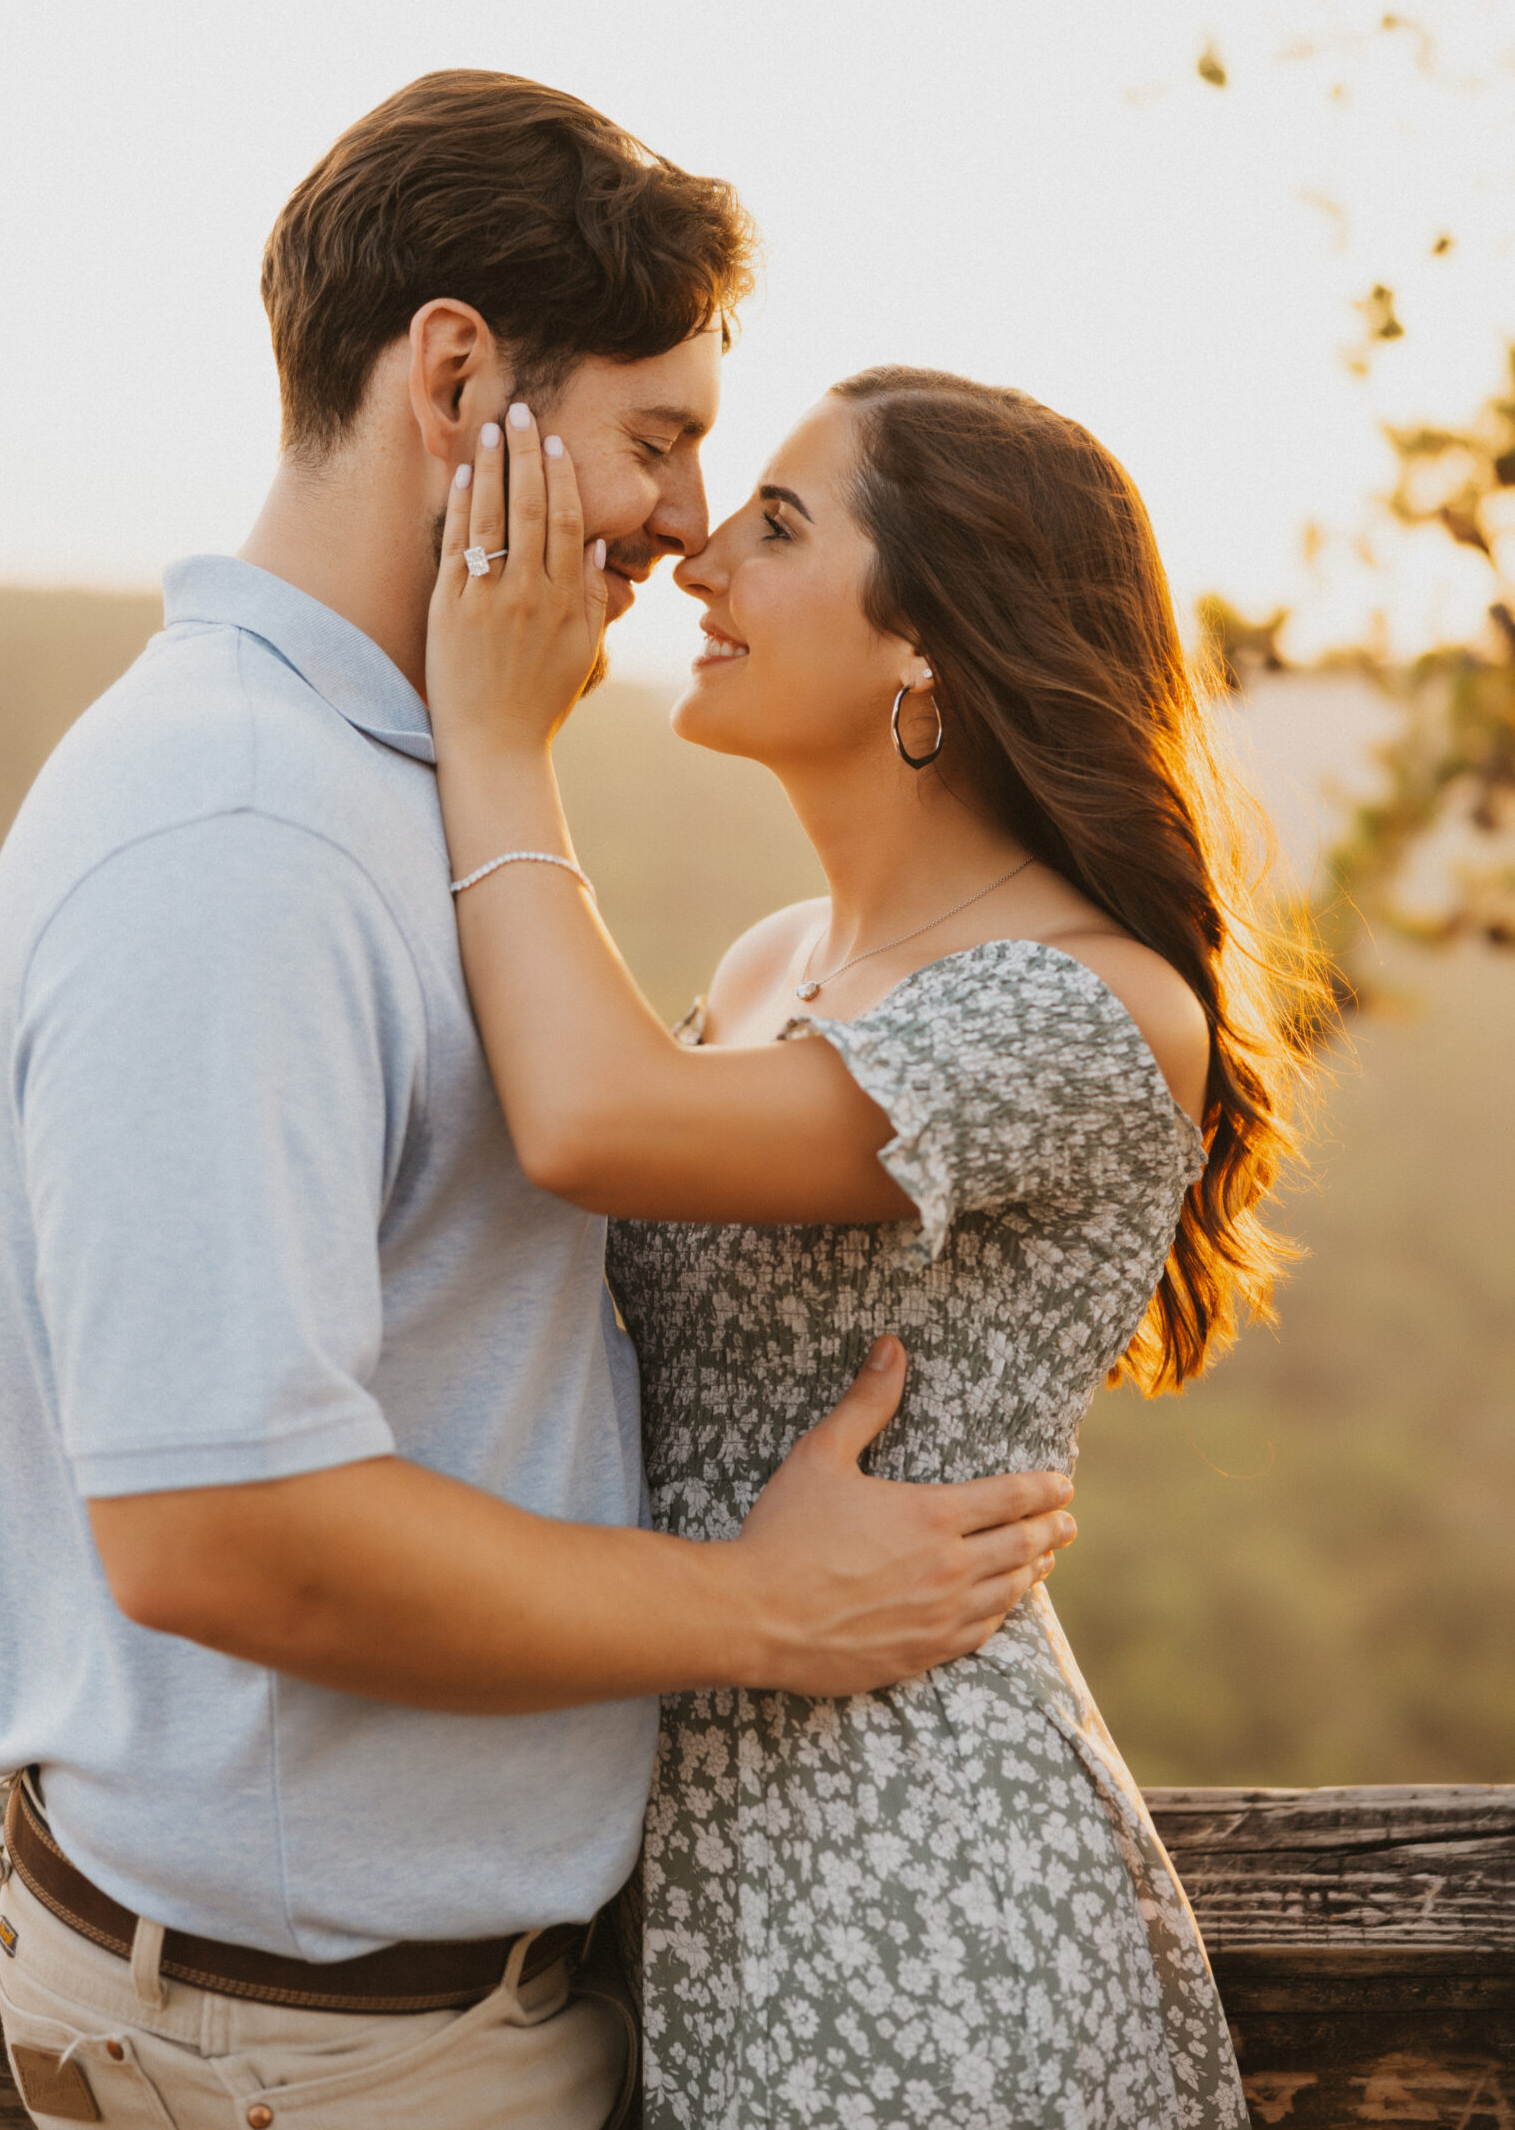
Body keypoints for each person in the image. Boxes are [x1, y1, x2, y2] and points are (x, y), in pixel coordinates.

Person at [0, 73, 1076, 2130]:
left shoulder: (403, 786)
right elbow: (222, 1530)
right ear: (456, 375)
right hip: (327, 2047)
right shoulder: (236, 829)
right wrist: (761, 1609)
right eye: (656, 436)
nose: (675, 517)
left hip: (429, 2017)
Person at [424, 370, 1312, 2129]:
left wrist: (495, 734)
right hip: (696, 1884)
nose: (699, 564)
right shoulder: (767, 966)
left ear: (930, 643)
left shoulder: (1091, 1005)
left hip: (919, 1896)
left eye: (776, 526)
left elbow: (591, 1125)